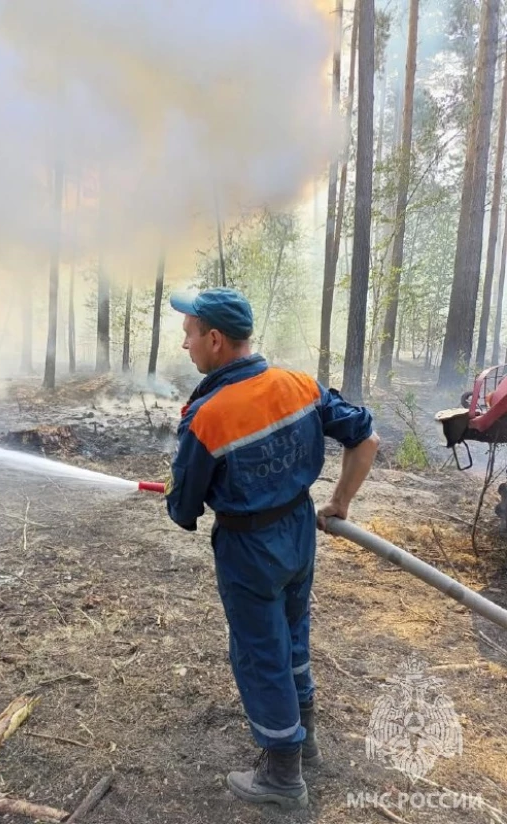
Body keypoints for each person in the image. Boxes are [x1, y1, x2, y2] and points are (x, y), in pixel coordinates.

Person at [165, 287, 379, 810]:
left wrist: (182, 491)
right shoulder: (300, 385)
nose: (184, 343)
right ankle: (305, 734)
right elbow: (366, 438)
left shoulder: (208, 416)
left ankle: (283, 774)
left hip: (248, 549)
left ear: (215, 340)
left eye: (189, 333)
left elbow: (183, 510)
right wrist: (340, 503)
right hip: (300, 533)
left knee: (259, 654)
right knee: (291, 632)